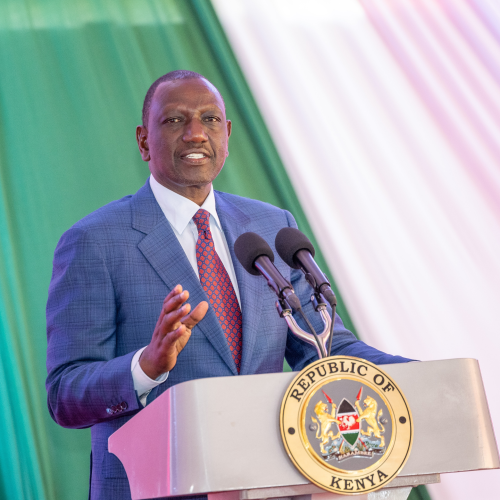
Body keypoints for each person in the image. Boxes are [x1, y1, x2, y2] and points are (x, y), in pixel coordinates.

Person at [46, 70, 410, 500]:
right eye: (175, 121)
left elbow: (326, 348)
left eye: (210, 119)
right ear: (144, 141)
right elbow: (65, 392)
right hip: (154, 489)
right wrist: (147, 366)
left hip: (270, 483)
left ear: (228, 134)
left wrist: (419, 379)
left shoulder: (272, 228)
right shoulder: (95, 241)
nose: (196, 133)